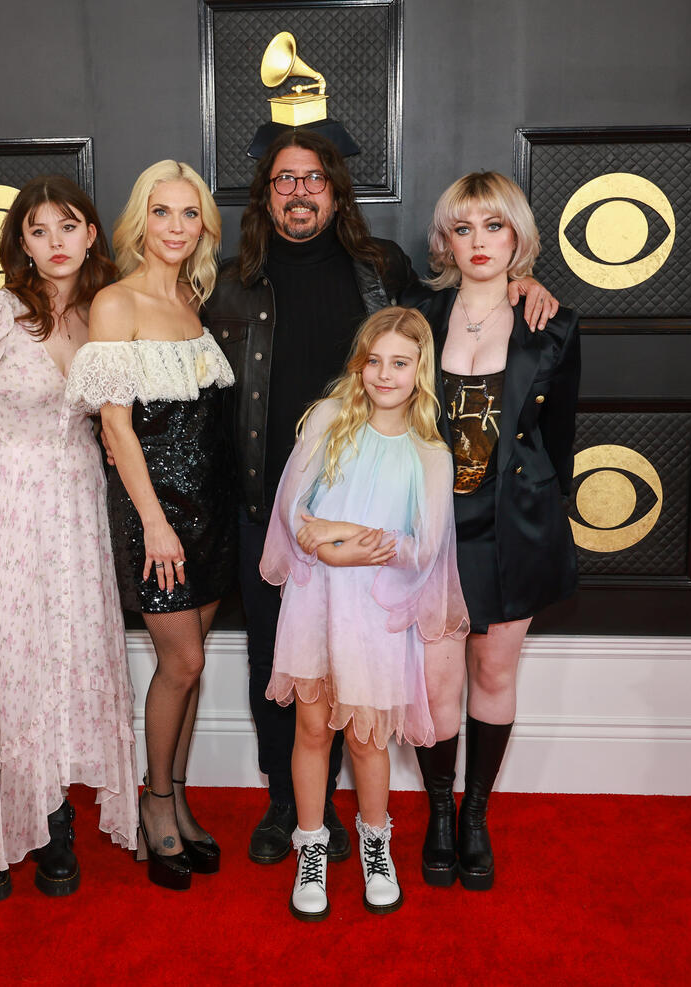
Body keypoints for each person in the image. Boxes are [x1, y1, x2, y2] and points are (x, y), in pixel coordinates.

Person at [207, 128, 560, 866]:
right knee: (281, 659)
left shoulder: (381, 268)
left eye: (313, 179)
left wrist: (522, 282)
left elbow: (449, 312)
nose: (299, 191)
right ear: (265, 194)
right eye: (283, 180)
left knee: (360, 660)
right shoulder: (230, 278)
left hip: (375, 508)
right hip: (268, 499)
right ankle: (288, 806)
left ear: (335, 190)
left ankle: (364, 814)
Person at [0, 176, 138, 903]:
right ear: (20, 240)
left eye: (68, 226)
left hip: (77, 515)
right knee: (7, 664)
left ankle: (54, 817)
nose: (55, 242)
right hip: (3, 523)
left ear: (90, 235)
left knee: (62, 661)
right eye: (39, 229)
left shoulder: (106, 315)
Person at [261, 306, 468, 920]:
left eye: (400, 363)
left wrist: (340, 536)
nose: (384, 374)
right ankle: (311, 848)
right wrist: (337, 539)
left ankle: (377, 845)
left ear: (420, 372)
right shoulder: (330, 419)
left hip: (376, 616)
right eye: (374, 361)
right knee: (311, 729)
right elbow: (294, 516)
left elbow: (422, 547)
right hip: (314, 602)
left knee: (368, 738)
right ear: (360, 364)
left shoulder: (429, 453)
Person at [65, 160, 236, 892]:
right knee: (184, 663)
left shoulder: (196, 298)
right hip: (155, 516)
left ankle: (179, 796)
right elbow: (115, 423)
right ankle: (153, 801)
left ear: (204, 225)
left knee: (190, 665)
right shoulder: (115, 303)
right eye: (161, 212)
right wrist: (155, 523)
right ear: (141, 221)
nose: (175, 227)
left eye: (188, 214)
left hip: (212, 511)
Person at [411, 171, 581, 890]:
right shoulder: (415, 314)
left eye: (494, 226)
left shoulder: (553, 321)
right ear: (445, 239)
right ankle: (438, 817)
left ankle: (475, 813)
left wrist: (544, 512)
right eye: (463, 227)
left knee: (494, 672)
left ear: (518, 237)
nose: (478, 242)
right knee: (437, 680)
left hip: (515, 522)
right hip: (435, 526)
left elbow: (560, 436)